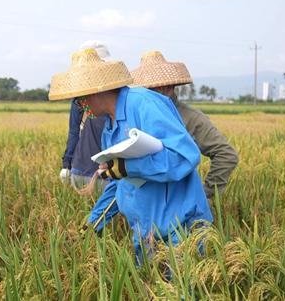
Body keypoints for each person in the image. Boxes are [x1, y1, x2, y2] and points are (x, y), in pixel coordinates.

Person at [48, 48, 213, 258]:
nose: (80, 106)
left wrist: (129, 167)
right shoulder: (109, 127)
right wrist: (93, 223)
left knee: (179, 291)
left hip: (180, 229)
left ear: (96, 90)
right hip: (145, 231)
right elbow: (120, 184)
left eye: (80, 99)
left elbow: (185, 156)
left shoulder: (144, 103)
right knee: (145, 288)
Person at [131, 51, 238, 199]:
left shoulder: (191, 118)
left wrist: (205, 194)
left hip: (180, 205)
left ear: (165, 88)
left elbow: (226, 155)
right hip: (145, 203)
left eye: (148, 90)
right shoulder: (137, 115)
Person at [60, 40, 109, 193]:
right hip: (107, 172)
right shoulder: (114, 96)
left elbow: (74, 132)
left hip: (80, 169)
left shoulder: (79, 99)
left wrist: (66, 164)